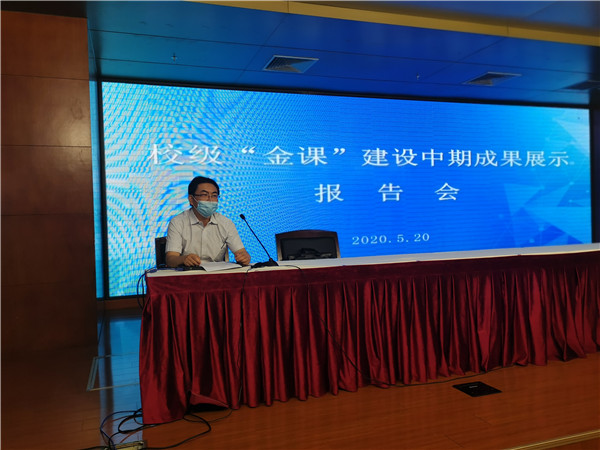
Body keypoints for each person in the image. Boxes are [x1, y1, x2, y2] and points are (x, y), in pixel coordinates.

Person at [165, 176, 251, 267]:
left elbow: (242, 252)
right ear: (191, 199)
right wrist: (184, 259)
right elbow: (170, 259)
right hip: (188, 273)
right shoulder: (178, 222)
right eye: (204, 195)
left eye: (214, 195)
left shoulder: (226, 223)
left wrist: (245, 257)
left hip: (217, 273)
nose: (210, 200)